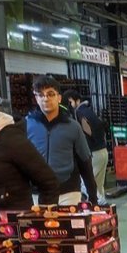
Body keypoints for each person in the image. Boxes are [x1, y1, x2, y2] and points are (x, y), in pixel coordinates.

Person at [25, 76, 99, 207]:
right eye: (41, 95)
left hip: (68, 193)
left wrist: (93, 198)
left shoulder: (73, 127)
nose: (45, 99)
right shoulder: (26, 125)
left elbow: (85, 162)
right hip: (37, 194)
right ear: (36, 98)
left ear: (59, 98)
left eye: (50, 94)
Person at [63, 89, 109, 202]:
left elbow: (87, 131)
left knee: (86, 184)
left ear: (76, 100)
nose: (69, 105)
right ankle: (101, 207)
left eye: (70, 102)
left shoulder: (79, 113)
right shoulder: (89, 111)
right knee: (98, 185)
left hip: (93, 153)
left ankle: (102, 204)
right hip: (103, 151)